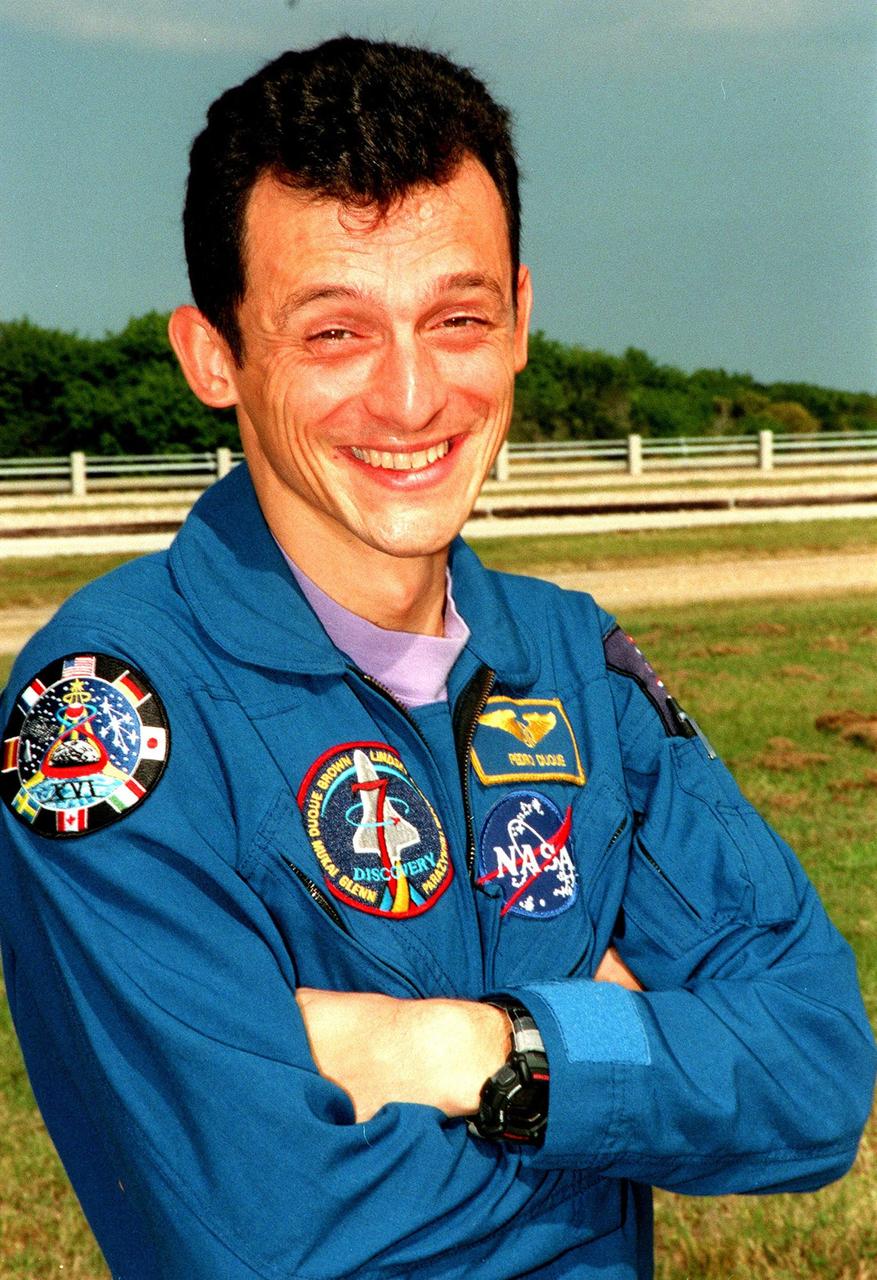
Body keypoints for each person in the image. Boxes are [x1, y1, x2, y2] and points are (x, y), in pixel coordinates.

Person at [0, 36, 873, 1280]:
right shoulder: (107, 718)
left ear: (519, 320)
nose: (410, 399)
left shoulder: (573, 659)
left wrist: (478, 1053)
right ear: (213, 355)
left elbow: (818, 1071)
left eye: (456, 317)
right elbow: (266, 1238)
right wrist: (625, 1079)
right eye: (335, 333)